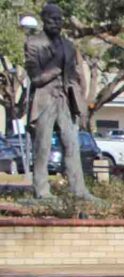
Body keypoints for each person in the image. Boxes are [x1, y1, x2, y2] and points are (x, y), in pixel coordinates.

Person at [23, 2, 93, 201]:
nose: (57, 22)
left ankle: (78, 190)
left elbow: (75, 75)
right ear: (44, 20)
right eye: (53, 18)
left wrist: (79, 96)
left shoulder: (69, 46)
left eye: (60, 19)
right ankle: (42, 191)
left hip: (66, 99)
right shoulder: (33, 43)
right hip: (45, 99)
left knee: (72, 145)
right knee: (43, 147)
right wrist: (57, 68)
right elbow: (36, 78)